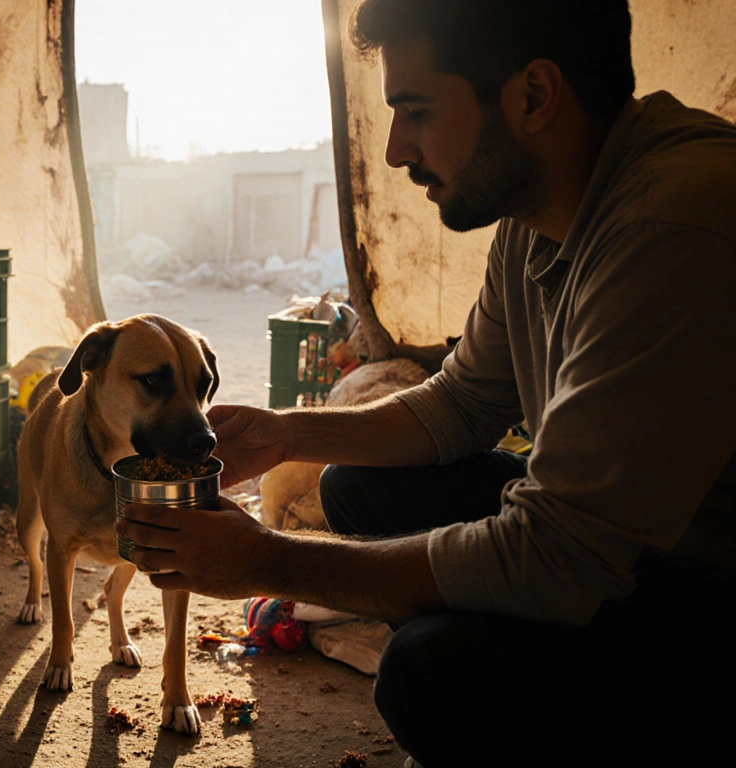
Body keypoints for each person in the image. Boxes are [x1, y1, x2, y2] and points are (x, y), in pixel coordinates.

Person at [115, 1, 735, 765]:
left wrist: (267, 561)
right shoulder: (537, 217)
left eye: (416, 111)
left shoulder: (678, 224)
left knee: (435, 672)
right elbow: (464, 403)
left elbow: (561, 555)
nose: (396, 150)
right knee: (358, 488)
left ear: (533, 96)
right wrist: (286, 434)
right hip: (627, 545)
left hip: (704, 579)